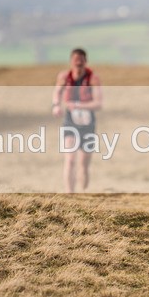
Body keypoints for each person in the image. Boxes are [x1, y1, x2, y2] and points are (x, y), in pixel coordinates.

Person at [52, 48, 103, 193]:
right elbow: (57, 91)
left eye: (81, 61)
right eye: (76, 61)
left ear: (85, 62)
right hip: (70, 121)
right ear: (71, 62)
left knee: (84, 163)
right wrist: (56, 105)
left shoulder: (92, 78)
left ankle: (84, 191)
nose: (78, 64)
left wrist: (79, 105)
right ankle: (70, 194)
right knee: (70, 159)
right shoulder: (64, 77)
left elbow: (98, 103)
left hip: (88, 123)